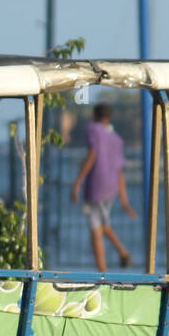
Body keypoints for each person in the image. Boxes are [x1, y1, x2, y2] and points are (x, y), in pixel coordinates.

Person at [71, 103, 137, 271]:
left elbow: (93, 154)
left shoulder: (93, 130)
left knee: (95, 230)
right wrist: (124, 200)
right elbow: (119, 171)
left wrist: (78, 181)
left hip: (96, 186)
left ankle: (102, 272)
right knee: (103, 224)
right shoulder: (116, 139)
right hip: (111, 189)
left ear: (95, 116)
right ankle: (123, 253)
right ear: (109, 117)